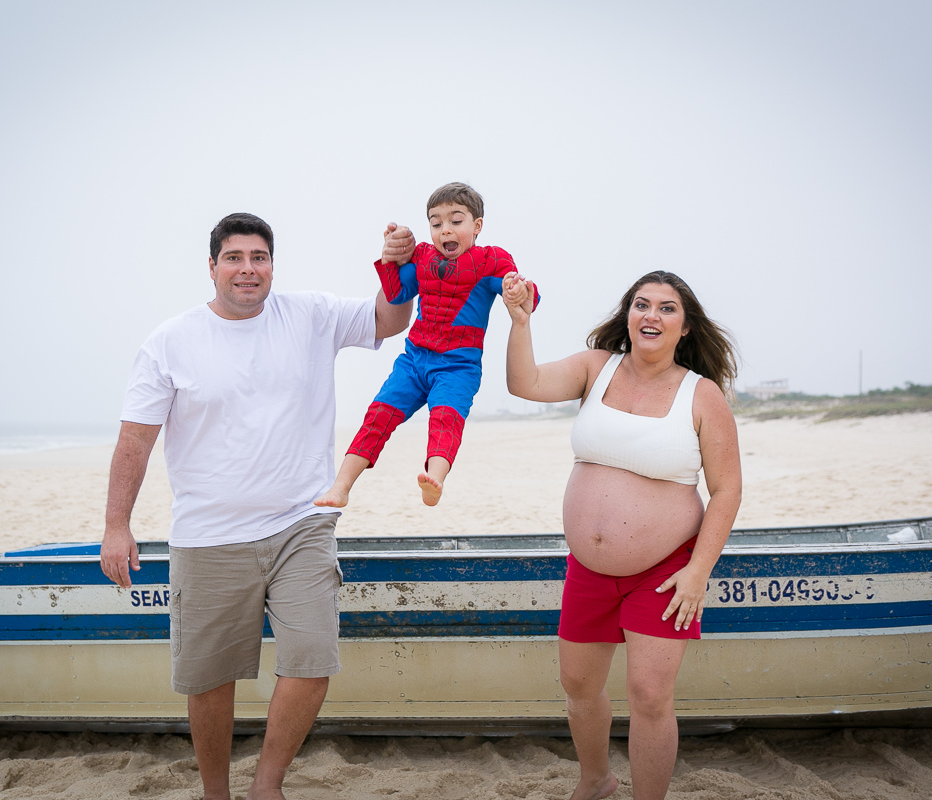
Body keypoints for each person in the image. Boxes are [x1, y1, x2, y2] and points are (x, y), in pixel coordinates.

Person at [99, 212, 414, 800]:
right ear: (212, 266)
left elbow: (390, 319)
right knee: (210, 679)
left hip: (301, 522)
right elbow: (135, 441)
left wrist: (398, 265)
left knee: (312, 661)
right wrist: (117, 526)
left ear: (272, 265)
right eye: (235, 258)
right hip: (208, 535)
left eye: (259, 258)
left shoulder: (311, 315)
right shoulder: (170, 341)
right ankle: (216, 792)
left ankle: (267, 785)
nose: (248, 269)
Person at [502, 270, 741, 800]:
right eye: (641, 304)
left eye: (667, 308)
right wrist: (520, 322)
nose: (651, 315)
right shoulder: (596, 367)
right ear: (628, 315)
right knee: (578, 686)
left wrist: (698, 573)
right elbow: (525, 383)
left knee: (650, 696)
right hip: (587, 568)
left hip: (665, 572)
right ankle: (596, 780)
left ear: (685, 327)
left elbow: (727, 491)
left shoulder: (701, 396)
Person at [315, 181, 539, 508]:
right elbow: (397, 294)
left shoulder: (491, 260)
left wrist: (517, 290)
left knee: (446, 419)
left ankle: (434, 480)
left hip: (458, 366)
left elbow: (519, 290)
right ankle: (341, 487)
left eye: (456, 221)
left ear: (477, 226)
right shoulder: (422, 257)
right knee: (378, 416)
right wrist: (390, 258)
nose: (445, 229)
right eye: (436, 223)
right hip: (414, 360)